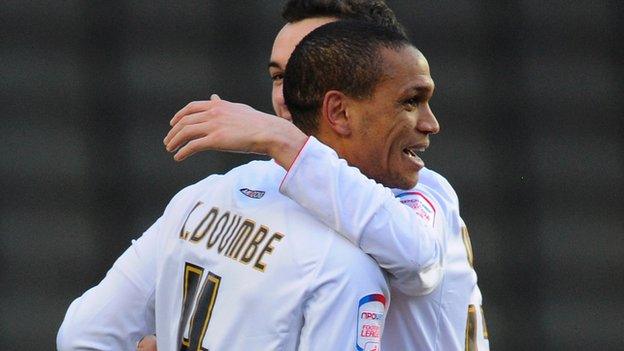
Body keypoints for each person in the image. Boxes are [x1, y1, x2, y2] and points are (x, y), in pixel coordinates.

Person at [56, 20, 433, 351]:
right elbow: (420, 259)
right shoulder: (347, 264)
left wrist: (283, 140)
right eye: (412, 101)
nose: (431, 123)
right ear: (338, 110)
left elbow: (82, 335)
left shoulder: (199, 199)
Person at [161, 1, 490, 350]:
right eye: (280, 77)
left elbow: (417, 259)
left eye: (313, 70)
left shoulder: (419, 190)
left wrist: (282, 139)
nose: (292, 95)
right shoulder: (231, 194)